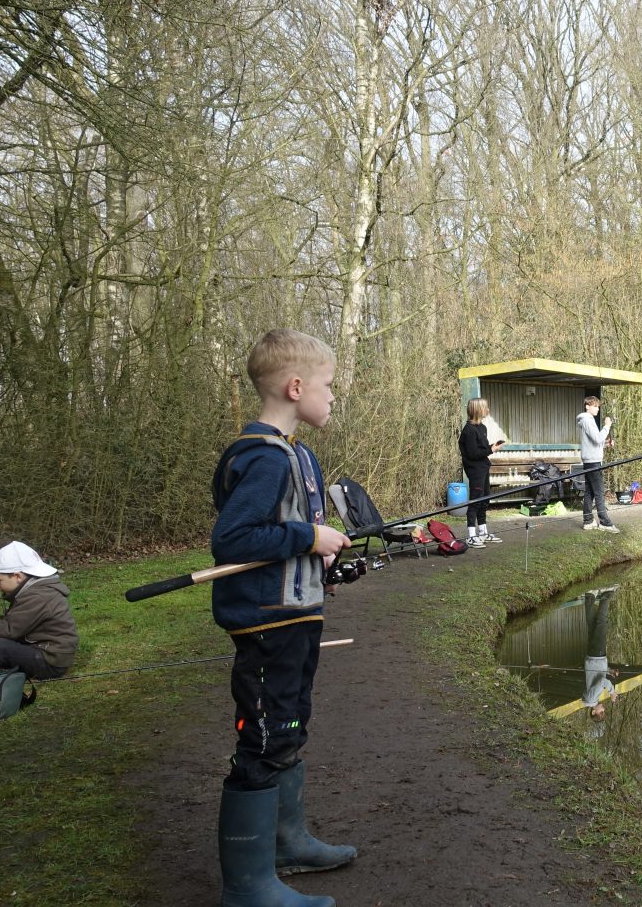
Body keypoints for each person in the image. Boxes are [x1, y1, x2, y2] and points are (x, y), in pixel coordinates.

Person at [209, 328, 355, 907]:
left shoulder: (300, 455)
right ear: (296, 388)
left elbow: (290, 535)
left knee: (290, 728)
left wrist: (322, 549)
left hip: (297, 617)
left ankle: (286, 844)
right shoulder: (263, 459)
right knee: (264, 738)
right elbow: (235, 538)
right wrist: (308, 535)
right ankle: (247, 887)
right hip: (266, 622)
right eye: (327, 386)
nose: (332, 396)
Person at [0, 541, 78, 680]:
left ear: (18, 576)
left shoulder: (38, 596)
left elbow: (8, 630)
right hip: (38, 648)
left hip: (51, 660)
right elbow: (14, 622)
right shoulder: (32, 590)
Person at [459, 396, 504, 548]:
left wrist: (492, 446)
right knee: (475, 502)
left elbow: (481, 450)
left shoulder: (482, 428)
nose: (488, 410)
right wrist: (491, 449)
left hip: (484, 468)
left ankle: (483, 532)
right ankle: (471, 536)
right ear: (478, 410)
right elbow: (472, 454)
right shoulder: (469, 430)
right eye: (485, 407)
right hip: (475, 471)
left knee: (484, 500)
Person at [577, 395, 619, 534]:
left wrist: (606, 444)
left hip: (591, 461)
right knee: (600, 492)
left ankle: (588, 521)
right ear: (587, 406)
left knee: (589, 492)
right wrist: (607, 426)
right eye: (594, 406)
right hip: (593, 463)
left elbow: (595, 442)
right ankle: (605, 522)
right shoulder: (587, 420)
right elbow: (597, 438)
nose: (597, 409)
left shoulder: (588, 420)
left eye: (598, 406)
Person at [582, 586, 620, 718]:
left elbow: (603, 682)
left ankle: (606, 593)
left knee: (601, 623)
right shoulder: (592, 697)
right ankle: (589, 595)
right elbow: (598, 676)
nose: (603, 709)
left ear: (593, 712)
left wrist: (612, 692)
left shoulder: (592, 698)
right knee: (592, 625)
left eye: (601, 712)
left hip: (597, 656)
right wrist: (609, 671)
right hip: (593, 658)